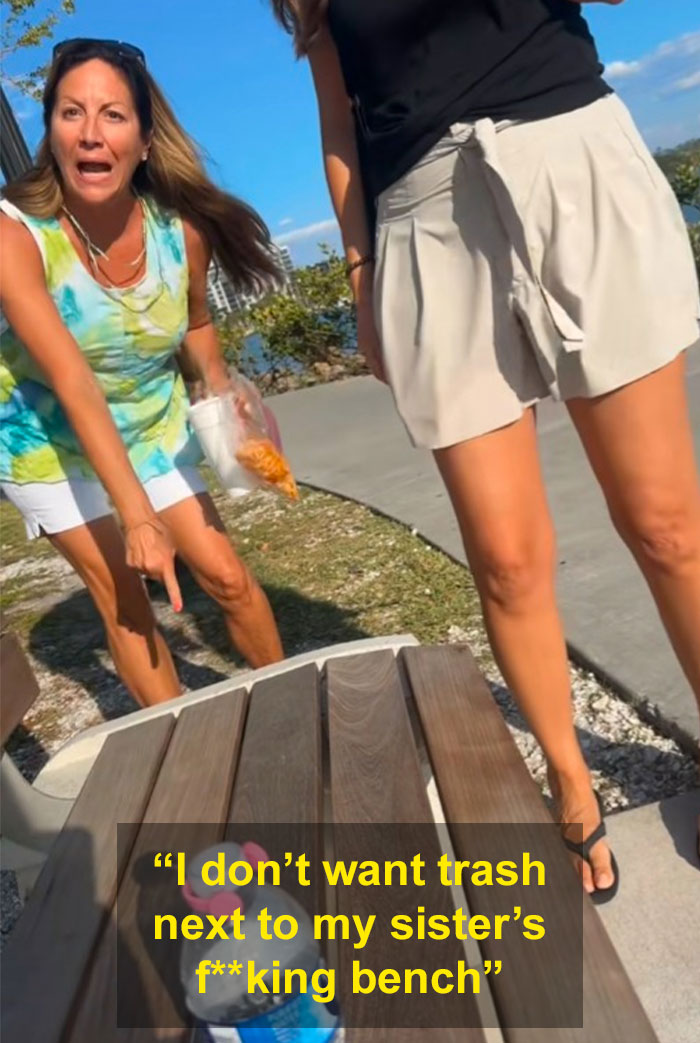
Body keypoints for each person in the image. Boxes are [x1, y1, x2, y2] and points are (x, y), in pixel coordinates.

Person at [271, 0, 700, 899]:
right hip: (423, 218)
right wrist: (360, 272)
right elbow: (340, 120)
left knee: (667, 525)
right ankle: (569, 776)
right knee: (504, 559)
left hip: (570, 157)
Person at [0, 38, 285, 708]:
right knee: (128, 597)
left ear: (146, 141)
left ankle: (294, 714)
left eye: (113, 116)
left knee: (226, 577)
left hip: (147, 422)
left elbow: (194, 322)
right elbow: (71, 381)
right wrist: (137, 516)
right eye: (71, 113)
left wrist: (222, 396)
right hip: (46, 439)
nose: (91, 133)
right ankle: (190, 764)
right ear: (50, 132)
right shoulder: (15, 236)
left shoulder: (180, 232)